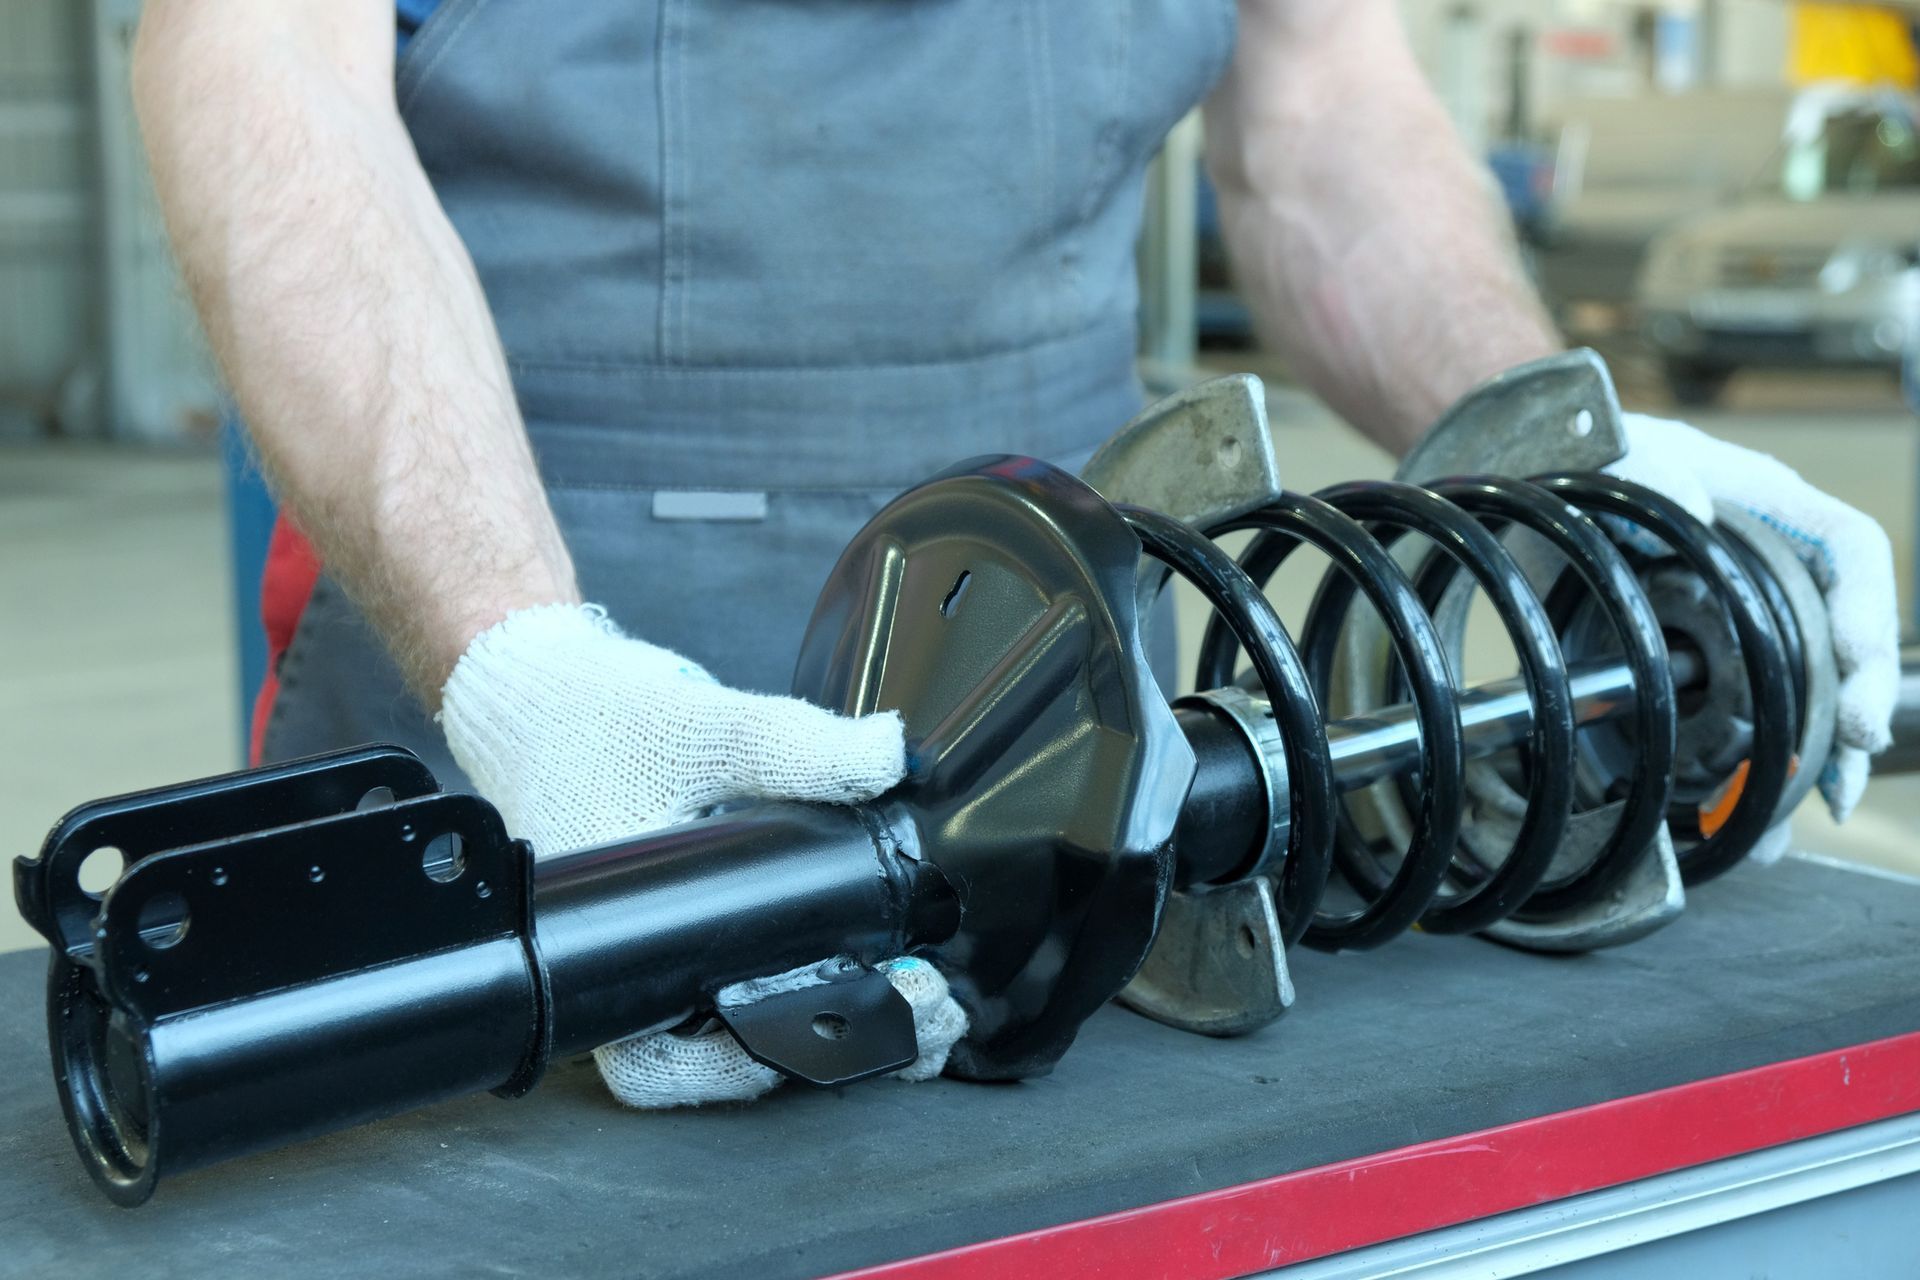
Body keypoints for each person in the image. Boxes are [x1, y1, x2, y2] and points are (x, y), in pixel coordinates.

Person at [130, 0, 1899, 1108]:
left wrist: (1570, 449)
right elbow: (257, 50)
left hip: (1109, 761)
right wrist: (522, 665)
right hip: (528, 721)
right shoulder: (525, 694)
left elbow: (1324, 109)